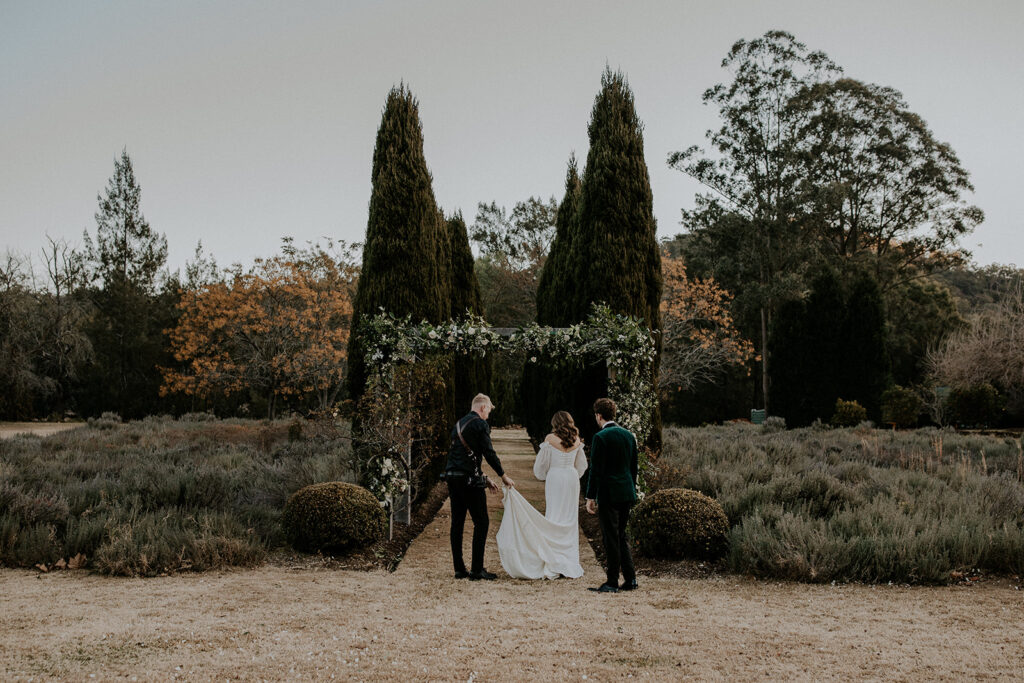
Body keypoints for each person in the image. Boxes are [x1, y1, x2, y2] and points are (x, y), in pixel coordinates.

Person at [496, 411, 588, 579]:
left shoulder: (550, 439)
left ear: (555, 423)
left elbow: (540, 468)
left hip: (556, 479)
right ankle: (568, 561)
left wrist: (548, 475)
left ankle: (554, 559)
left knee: (554, 516)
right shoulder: (576, 439)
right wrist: (573, 475)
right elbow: (582, 466)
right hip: (571, 479)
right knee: (570, 518)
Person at [443, 393, 515, 580]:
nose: (488, 415)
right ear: (483, 407)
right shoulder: (480, 424)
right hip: (469, 481)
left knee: (457, 524)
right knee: (481, 522)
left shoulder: (458, 424)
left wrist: (485, 478)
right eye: (489, 410)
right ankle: (476, 570)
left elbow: (463, 458)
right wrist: (503, 475)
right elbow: (488, 453)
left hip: (453, 478)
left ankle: (459, 569)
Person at [584, 397, 639, 593]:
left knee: (610, 537)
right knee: (621, 535)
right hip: (626, 492)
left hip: (609, 494)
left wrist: (590, 497)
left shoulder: (601, 438)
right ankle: (631, 579)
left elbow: (596, 471)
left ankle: (612, 581)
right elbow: (633, 468)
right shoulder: (628, 436)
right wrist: (631, 489)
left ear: (599, 415)